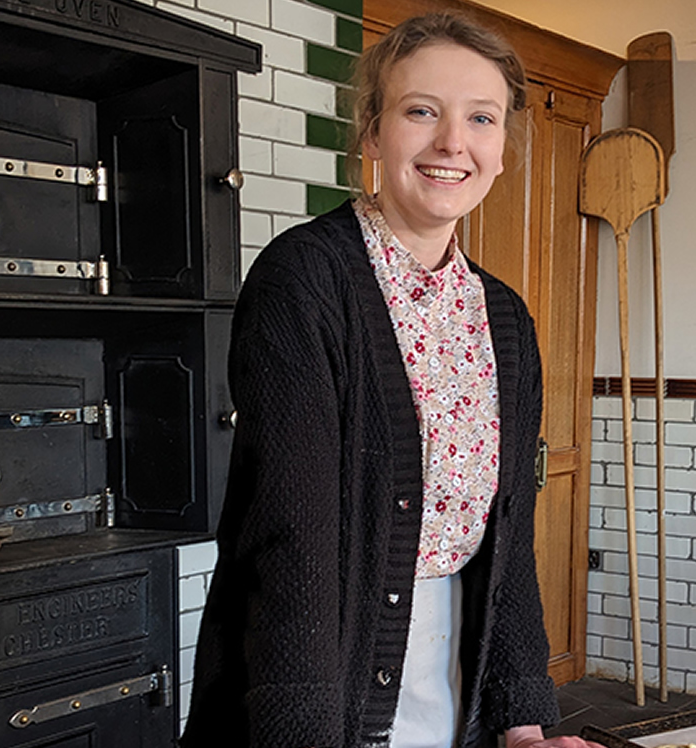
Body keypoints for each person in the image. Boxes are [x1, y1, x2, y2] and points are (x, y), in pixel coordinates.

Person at [180, 12, 604, 748]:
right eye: (421, 112)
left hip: (455, 676)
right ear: (372, 134)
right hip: (317, 676)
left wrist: (522, 720)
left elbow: (508, 541)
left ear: (502, 150)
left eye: (481, 117)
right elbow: (292, 537)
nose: (452, 143)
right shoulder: (305, 281)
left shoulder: (504, 316)